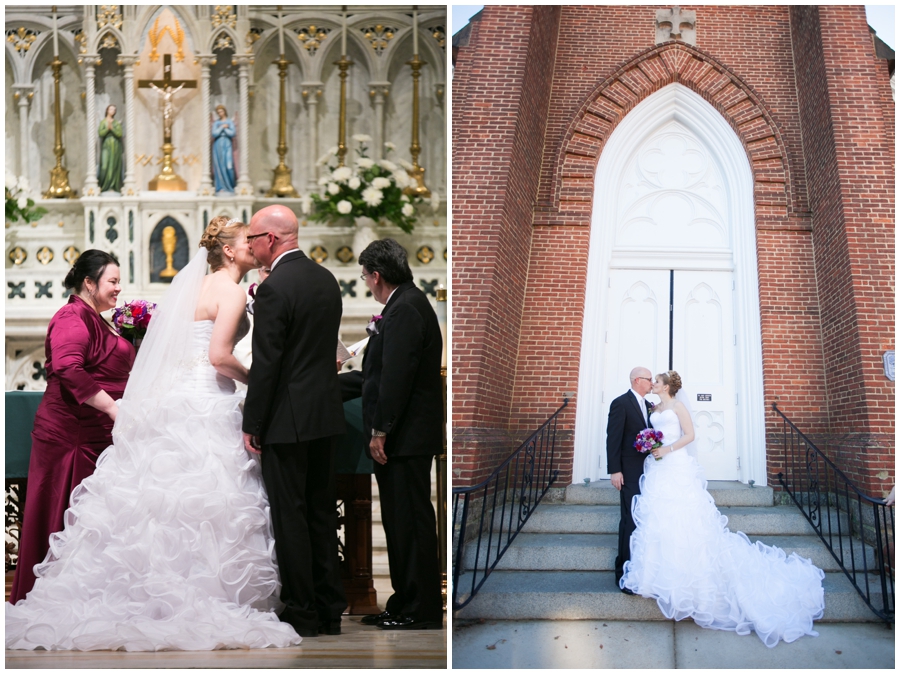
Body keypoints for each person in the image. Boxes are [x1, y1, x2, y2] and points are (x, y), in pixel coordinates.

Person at [6, 217, 300, 650]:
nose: (256, 248)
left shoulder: (193, 288)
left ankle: (142, 592)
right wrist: (260, 380)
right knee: (206, 506)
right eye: (248, 243)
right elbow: (219, 356)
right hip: (208, 404)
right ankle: (195, 596)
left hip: (175, 402)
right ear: (232, 252)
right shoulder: (232, 290)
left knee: (158, 506)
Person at [621, 370, 825, 648]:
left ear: (667, 386)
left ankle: (693, 584)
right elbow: (648, 432)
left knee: (685, 519)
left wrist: (665, 450)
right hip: (656, 470)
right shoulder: (654, 407)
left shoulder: (678, 406)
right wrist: (649, 445)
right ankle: (655, 577)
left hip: (675, 465)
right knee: (660, 520)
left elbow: (690, 435)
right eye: (652, 380)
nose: (653, 384)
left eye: (656, 381)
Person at [242, 204, 348, 638]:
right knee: (322, 514)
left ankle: (302, 611)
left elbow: (268, 364)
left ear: (270, 239)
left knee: (291, 517)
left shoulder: (274, 288)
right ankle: (330, 609)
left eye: (252, 238)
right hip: (325, 415)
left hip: (287, 420)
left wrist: (253, 422)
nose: (249, 247)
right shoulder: (326, 279)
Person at [10, 251, 134, 604]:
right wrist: (112, 408)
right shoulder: (71, 316)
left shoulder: (97, 318)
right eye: (112, 281)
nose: (118, 288)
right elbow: (68, 367)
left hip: (96, 436)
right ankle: (50, 600)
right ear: (89, 283)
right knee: (64, 519)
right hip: (72, 437)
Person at [339, 239, 444, 630]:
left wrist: (380, 430)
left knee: (411, 524)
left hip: (405, 438)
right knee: (399, 523)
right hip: (405, 436)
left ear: (377, 275)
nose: (366, 283)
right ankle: (404, 602)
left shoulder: (404, 309)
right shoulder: (404, 305)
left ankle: (421, 609)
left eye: (366, 277)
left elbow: (396, 379)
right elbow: (377, 376)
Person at [606, 366, 654, 594]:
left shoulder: (649, 406)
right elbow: (613, 438)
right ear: (637, 380)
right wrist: (615, 470)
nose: (652, 383)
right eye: (649, 379)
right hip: (628, 471)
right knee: (629, 520)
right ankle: (622, 573)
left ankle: (640, 568)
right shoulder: (621, 403)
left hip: (648, 472)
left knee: (642, 519)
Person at [97, 105, 123, 193]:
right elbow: (100, 133)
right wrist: (107, 129)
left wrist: (112, 129)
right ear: (107, 110)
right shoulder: (103, 122)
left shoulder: (116, 123)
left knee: (114, 166)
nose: (113, 111)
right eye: (111, 109)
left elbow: (119, 134)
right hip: (106, 145)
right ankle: (103, 186)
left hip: (116, 146)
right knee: (105, 166)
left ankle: (112, 186)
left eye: (114, 110)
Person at [212, 105, 236, 194]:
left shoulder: (230, 122)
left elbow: (232, 133)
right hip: (218, 145)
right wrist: (222, 127)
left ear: (224, 111)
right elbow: (214, 134)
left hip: (227, 144)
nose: (220, 113)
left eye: (221, 111)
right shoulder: (216, 123)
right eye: (218, 112)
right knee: (219, 165)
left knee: (228, 166)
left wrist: (225, 129)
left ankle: (230, 186)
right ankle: (220, 187)